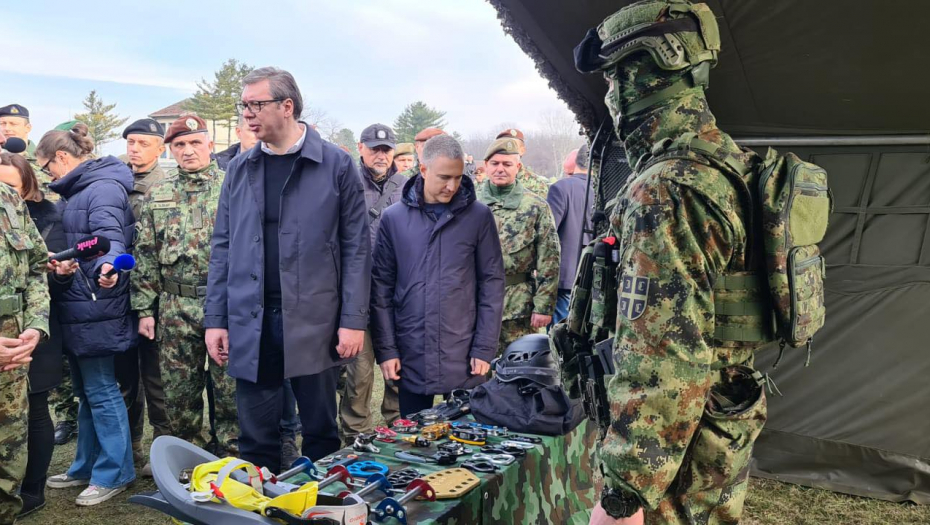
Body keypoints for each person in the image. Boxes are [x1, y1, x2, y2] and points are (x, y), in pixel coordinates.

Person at [576, 3, 769, 523]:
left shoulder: (666, 188)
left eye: (612, 78)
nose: (610, 94)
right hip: (719, 418)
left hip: (675, 450)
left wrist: (623, 495)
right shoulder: (730, 164)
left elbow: (663, 355)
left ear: (639, 75)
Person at [205, 67, 370, 473]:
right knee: (255, 437)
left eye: (256, 104)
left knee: (320, 433)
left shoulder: (335, 165)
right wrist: (217, 319)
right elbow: (223, 247)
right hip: (252, 319)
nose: (247, 114)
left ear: (287, 106)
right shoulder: (239, 169)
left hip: (315, 320)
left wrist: (352, 321)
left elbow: (356, 249)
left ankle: (320, 502)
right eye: (243, 105)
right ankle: (261, 501)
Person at [37, 123, 136, 506]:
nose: (47, 174)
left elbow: (111, 239)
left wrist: (109, 269)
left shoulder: (102, 188)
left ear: (62, 157)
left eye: (46, 166)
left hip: (97, 305)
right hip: (79, 305)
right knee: (85, 392)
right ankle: (86, 466)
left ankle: (115, 473)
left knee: (101, 390)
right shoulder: (78, 190)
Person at [370, 135, 505, 417]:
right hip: (411, 349)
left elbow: (491, 285)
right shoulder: (393, 218)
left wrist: (483, 348)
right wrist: (387, 350)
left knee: (467, 434)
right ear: (423, 169)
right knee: (414, 435)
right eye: (444, 177)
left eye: (457, 177)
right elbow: (381, 289)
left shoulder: (478, 216)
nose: (452, 186)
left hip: (464, 351)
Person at [132, 115, 239, 460]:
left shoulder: (235, 187)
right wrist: (145, 309)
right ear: (170, 150)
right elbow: (145, 253)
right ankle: (190, 463)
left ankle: (233, 461)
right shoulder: (159, 193)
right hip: (175, 306)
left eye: (195, 142)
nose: (188, 150)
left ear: (210, 145)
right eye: (179, 144)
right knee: (179, 396)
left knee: (231, 392)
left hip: (225, 304)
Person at [0, 152, 69, 519]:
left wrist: (35, 325)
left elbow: (35, 271)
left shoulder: (11, 202)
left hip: (17, 354)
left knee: (10, 459)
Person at [340, 123, 404, 441]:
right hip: (358, 294)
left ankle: (400, 429)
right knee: (359, 373)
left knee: (399, 369)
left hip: (396, 294)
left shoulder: (407, 186)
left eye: (386, 150)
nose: (381, 155)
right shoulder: (344, 183)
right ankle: (355, 436)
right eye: (374, 149)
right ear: (360, 148)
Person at [117, 118, 171, 476]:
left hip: (154, 295)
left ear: (160, 149)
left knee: (157, 377)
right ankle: (130, 446)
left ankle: (162, 448)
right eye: (131, 142)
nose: (134, 149)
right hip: (118, 294)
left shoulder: (165, 186)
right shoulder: (115, 182)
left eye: (143, 143)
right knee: (124, 377)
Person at [476, 137, 560, 354]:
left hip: (519, 306)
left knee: (521, 365)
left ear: (518, 167)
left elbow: (549, 258)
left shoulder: (535, 206)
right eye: (495, 163)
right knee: (475, 369)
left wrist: (543, 306)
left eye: (507, 164)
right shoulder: (470, 204)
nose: (500, 169)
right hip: (475, 302)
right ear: (486, 166)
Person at [547, 143, 594, 325]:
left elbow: (548, 233)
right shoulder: (609, 189)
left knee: (562, 332)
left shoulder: (561, 188)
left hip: (568, 278)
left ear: (576, 162)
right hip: (598, 278)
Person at [0, 104, 57, 202]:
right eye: (2, 123)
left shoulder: (46, 160)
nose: (7, 128)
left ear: (28, 128)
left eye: (13, 124)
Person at [494, 128, 550, 197]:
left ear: (522, 151)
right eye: (501, 147)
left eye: (512, 146)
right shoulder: (486, 184)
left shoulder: (537, 185)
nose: (506, 151)